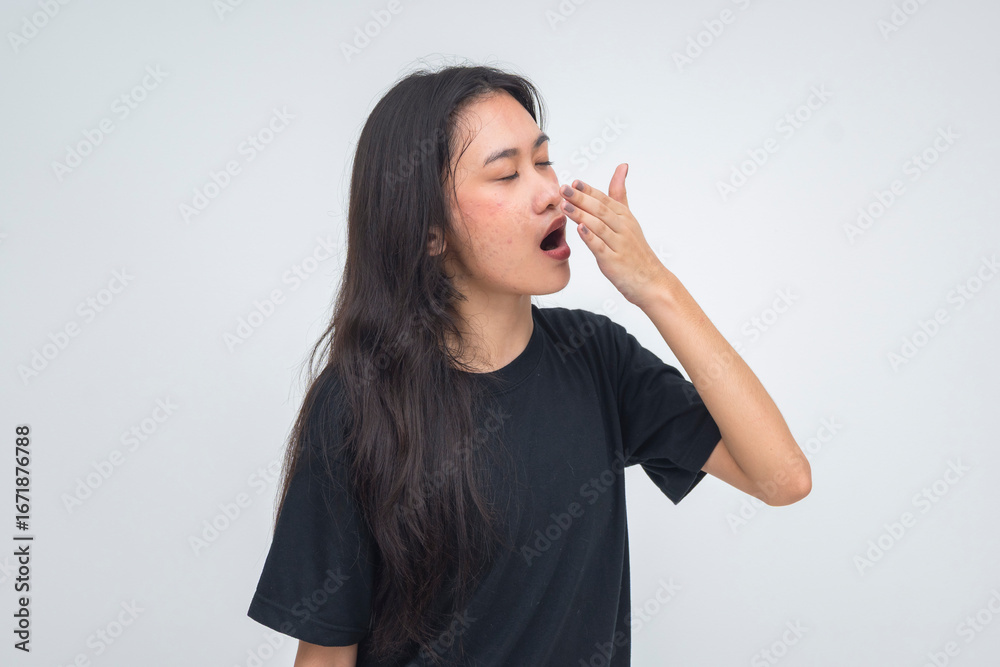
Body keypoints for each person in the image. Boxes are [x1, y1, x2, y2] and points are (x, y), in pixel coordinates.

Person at [246, 62, 811, 667]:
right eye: (507, 173)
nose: (549, 192)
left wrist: (656, 287)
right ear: (431, 232)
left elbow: (781, 478)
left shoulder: (596, 357)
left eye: (543, 161)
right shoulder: (359, 402)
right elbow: (326, 657)